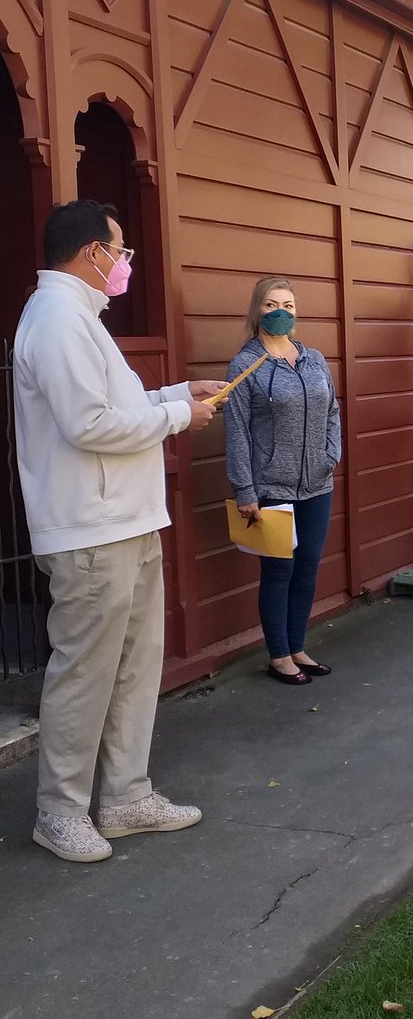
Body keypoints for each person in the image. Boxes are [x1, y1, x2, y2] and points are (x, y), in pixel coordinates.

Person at [14, 200, 220, 863]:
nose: (126, 262)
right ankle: (60, 811)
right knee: (85, 674)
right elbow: (90, 426)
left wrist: (177, 395)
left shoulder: (82, 319)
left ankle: (127, 797)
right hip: (91, 530)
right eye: (121, 249)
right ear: (89, 253)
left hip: (127, 521)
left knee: (134, 668)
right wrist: (178, 418)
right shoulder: (56, 320)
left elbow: (120, 408)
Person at [224, 277, 342, 685]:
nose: (281, 311)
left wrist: (331, 455)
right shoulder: (245, 365)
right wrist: (245, 489)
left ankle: (297, 646)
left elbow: (332, 411)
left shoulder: (313, 358)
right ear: (257, 310)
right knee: (279, 571)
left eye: (289, 305)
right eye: (272, 304)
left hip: (317, 482)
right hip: (271, 486)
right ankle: (278, 655)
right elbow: (237, 431)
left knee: (307, 568)